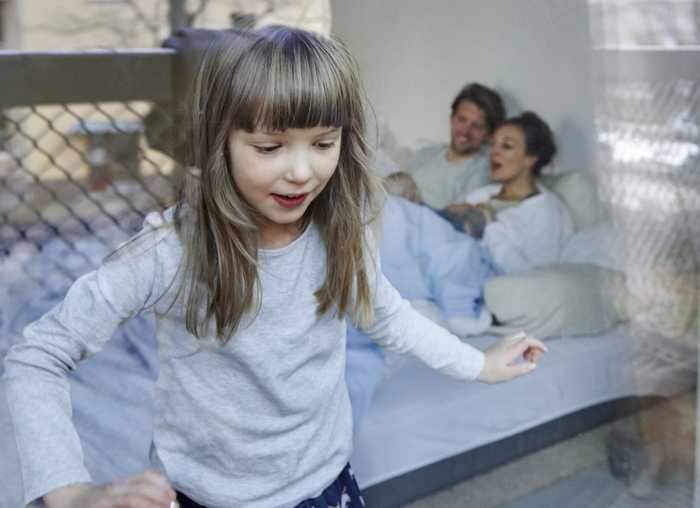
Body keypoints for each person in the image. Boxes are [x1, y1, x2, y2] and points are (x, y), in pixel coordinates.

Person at [3, 27, 546, 508]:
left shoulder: (342, 231)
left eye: (323, 143)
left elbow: (388, 318)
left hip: (328, 487)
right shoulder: (170, 251)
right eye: (269, 147)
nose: (302, 173)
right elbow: (37, 356)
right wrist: (69, 491)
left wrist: (478, 363)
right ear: (219, 141)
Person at [445, 111, 574, 273]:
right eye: (493, 145)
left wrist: (489, 225)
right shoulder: (480, 195)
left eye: (506, 146)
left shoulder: (547, 210)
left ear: (530, 159)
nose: (494, 152)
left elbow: (534, 276)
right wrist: (450, 213)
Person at [403, 82, 506, 209]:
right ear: (452, 119)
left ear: (489, 135)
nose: (465, 131)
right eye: (462, 119)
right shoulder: (426, 154)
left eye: (476, 126)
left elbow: (454, 217)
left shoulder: (481, 172)